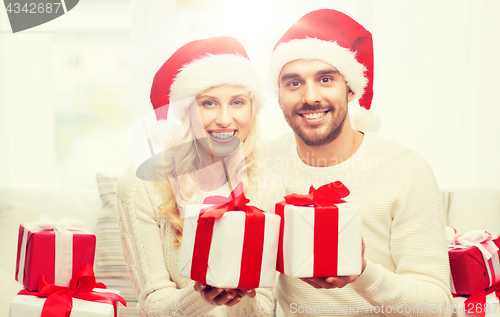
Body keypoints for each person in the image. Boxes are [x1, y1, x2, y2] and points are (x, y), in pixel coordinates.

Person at [265, 9, 452, 317]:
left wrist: (361, 274)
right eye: (294, 83)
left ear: (350, 88)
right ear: (279, 95)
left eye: (326, 79)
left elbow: (436, 305)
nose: (310, 97)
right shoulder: (262, 163)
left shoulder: (407, 170)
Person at [117, 36, 285, 317]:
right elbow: (152, 304)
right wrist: (203, 296)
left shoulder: (267, 186)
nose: (224, 118)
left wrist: (238, 295)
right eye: (208, 103)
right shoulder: (141, 185)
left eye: (237, 102)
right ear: (187, 112)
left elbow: (264, 307)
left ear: (252, 110)